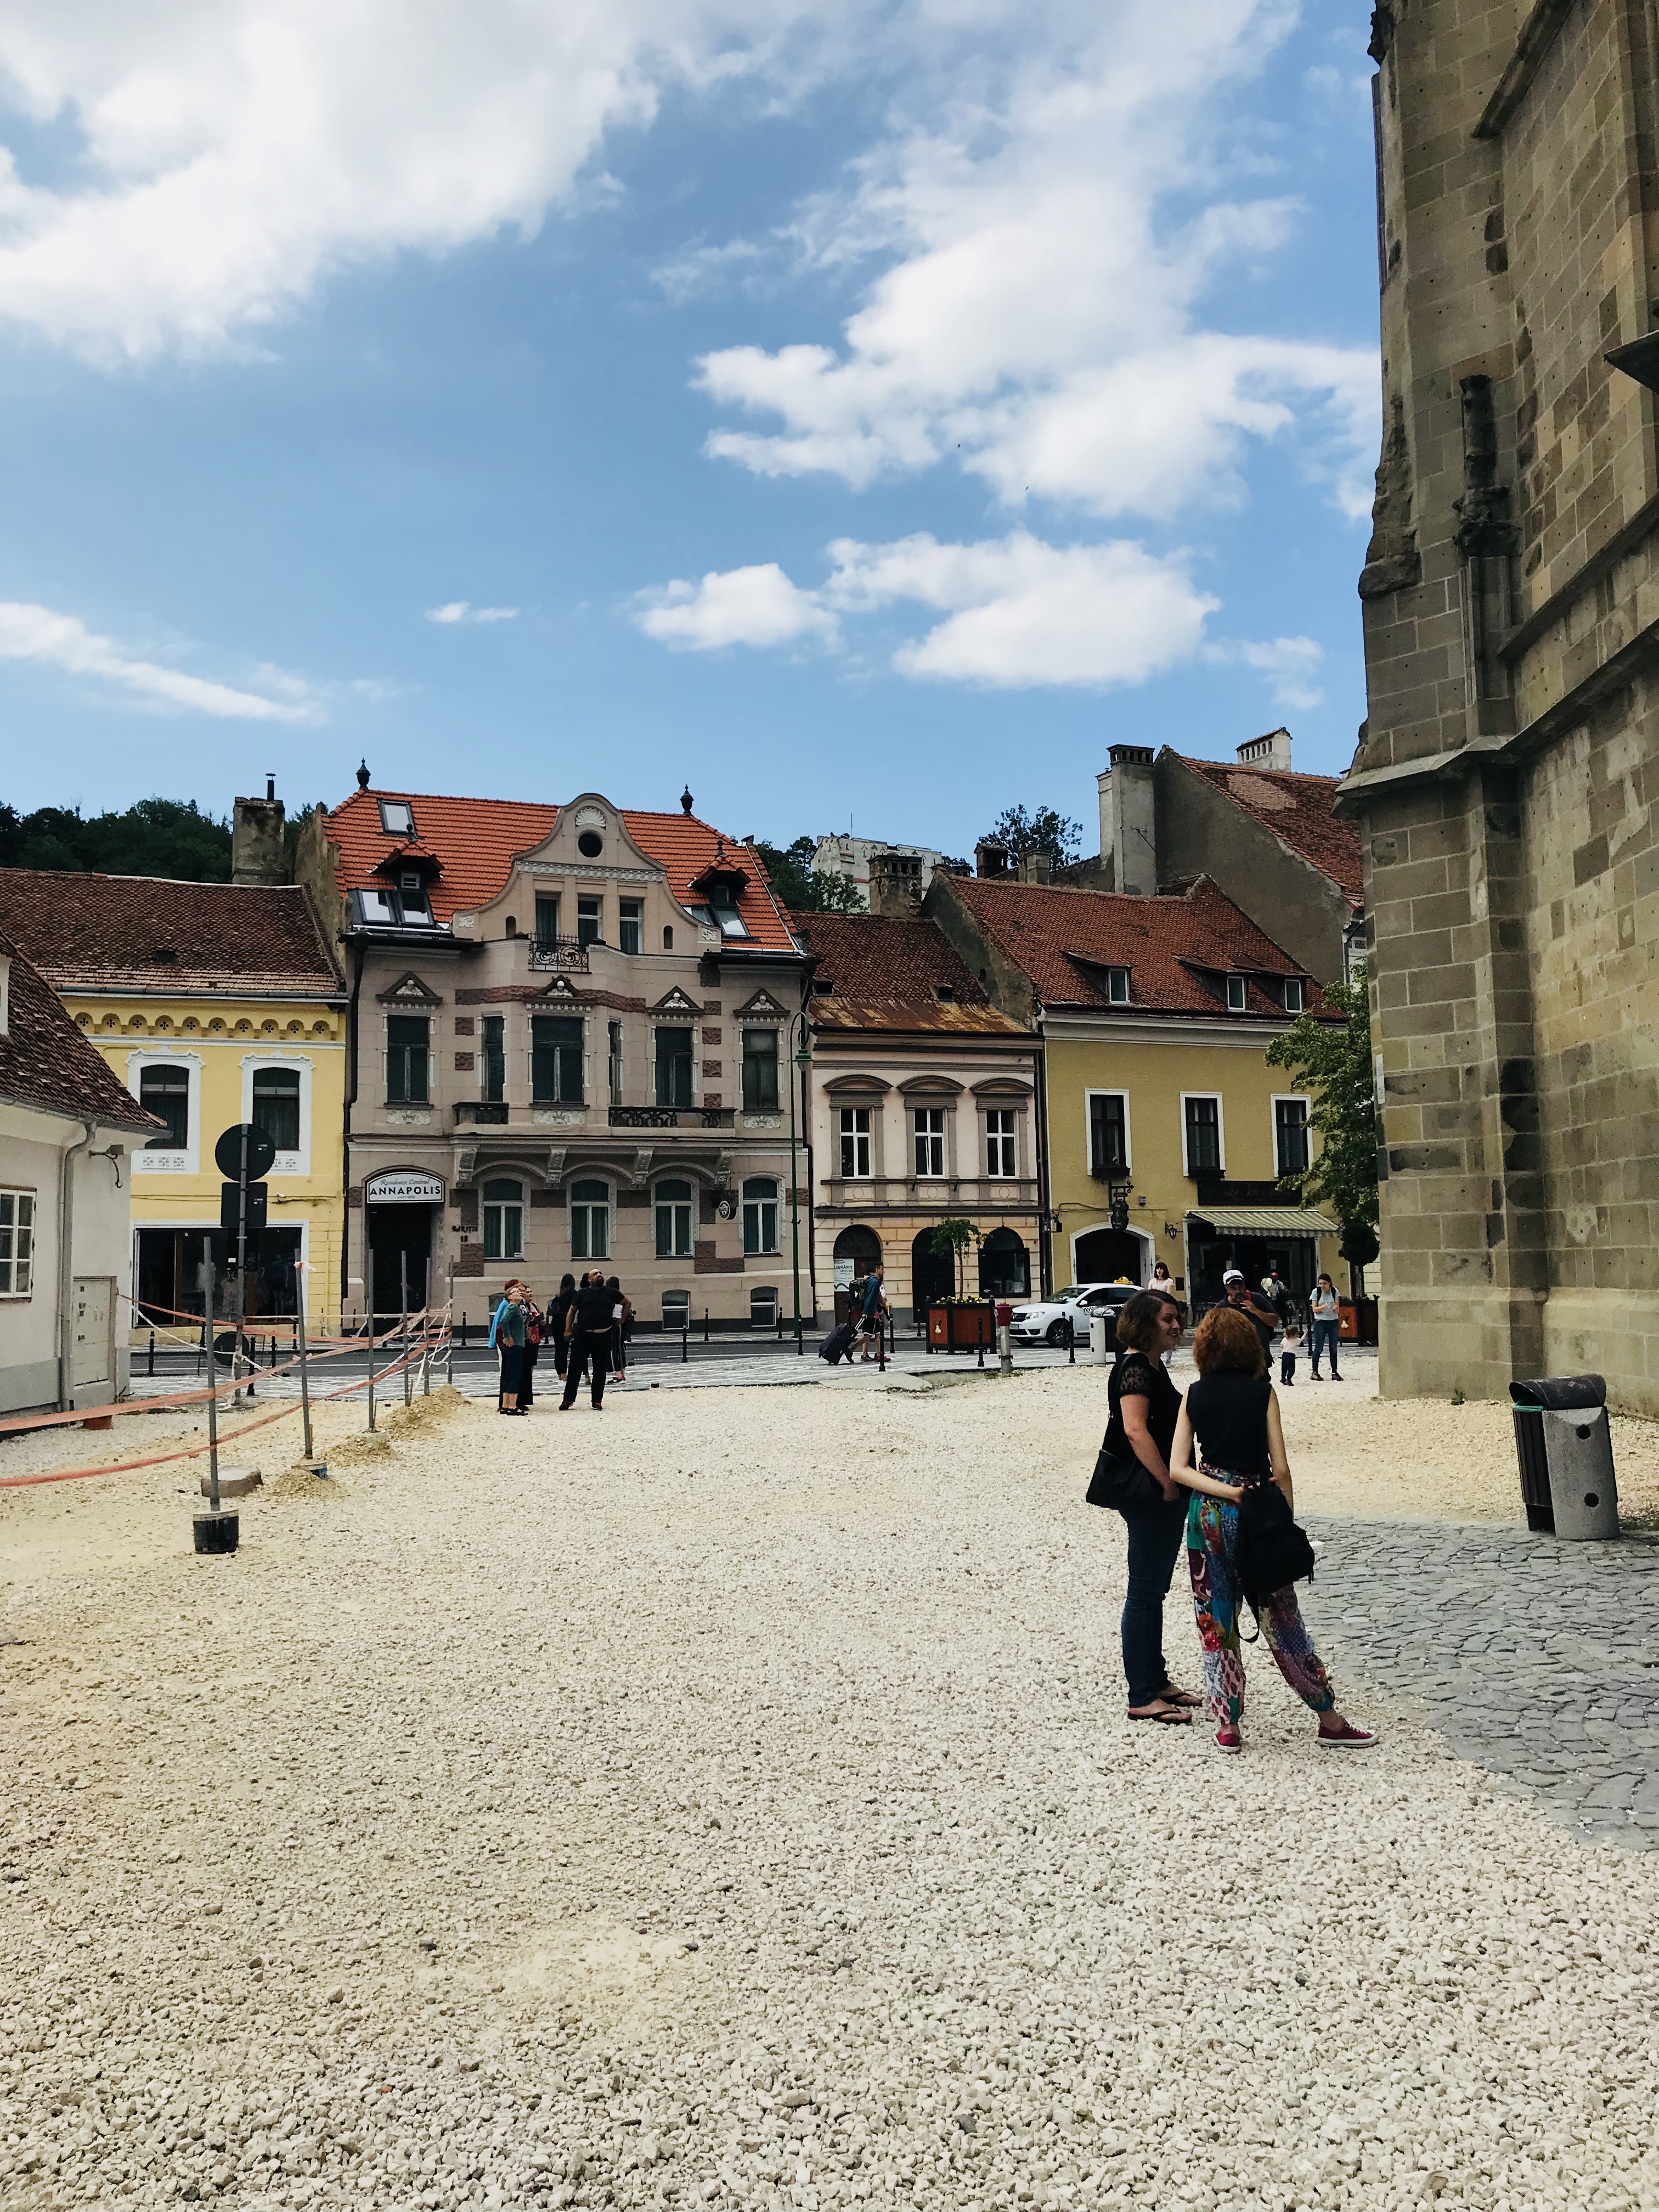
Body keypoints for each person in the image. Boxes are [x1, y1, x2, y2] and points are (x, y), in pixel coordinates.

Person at [1169, 1305, 1373, 1754]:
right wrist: (1283, 1521)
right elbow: (1280, 1468)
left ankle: (1227, 1724)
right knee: (1282, 1618)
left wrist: (1223, 1489)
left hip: (1206, 1517)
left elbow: (1178, 1469)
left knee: (1215, 1620)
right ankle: (1327, 1716)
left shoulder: (1193, 1395)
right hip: (1257, 1514)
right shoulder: (1263, 1393)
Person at [1103, 1290, 1199, 1726]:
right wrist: (1168, 1482)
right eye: (1167, 1319)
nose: (1177, 1326)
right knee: (1144, 1591)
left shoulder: (1152, 1365)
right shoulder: (1136, 1368)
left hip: (1160, 1492)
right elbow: (1135, 1430)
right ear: (1144, 1323)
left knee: (1153, 1590)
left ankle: (1155, 1679)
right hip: (1149, 1493)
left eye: (1177, 1318)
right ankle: (1142, 1693)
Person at [560, 1270, 615, 1411]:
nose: (599, 1275)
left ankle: (597, 1401)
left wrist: (620, 1320)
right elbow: (572, 1311)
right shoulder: (582, 1294)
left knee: (600, 1369)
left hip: (603, 1335)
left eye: (600, 1273)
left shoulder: (610, 1293)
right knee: (575, 1368)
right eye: (595, 1274)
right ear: (590, 1279)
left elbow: (626, 1303)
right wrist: (568, 1329)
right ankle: (568, 1399)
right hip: (583, 1335)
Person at [1223, 1267, 1278, 1370]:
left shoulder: (1257, 1299)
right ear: (1227, 1289)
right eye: (1233, 1288)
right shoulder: (1222, 1308)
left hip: (1260, 1357)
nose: (1238, 1291)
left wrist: (1256, 1311)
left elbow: (1275, 1321)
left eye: (1240, 1287)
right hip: (1235, 1361)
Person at [491, 1281, 529, 1415]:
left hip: (513, 1345)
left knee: (509, 1374)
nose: (519, 1293)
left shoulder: (513, 1307)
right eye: (515, 1292)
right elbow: (504, 1321)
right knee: (515, 1374)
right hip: (515, 1344)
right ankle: (513, 1406)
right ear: (510, 1297)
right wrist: (508, 1336)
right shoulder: (513, 1307)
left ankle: (505, 1405)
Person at [1308, 1272, 1342, 1381]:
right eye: (1321, 1284)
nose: (1323, 1286)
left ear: (1330, 1283)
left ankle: (1334, 1372)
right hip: (1320, 1321)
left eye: (1325, 1284)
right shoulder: (1316, 1292)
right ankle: (1315, 1372)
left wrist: (1335, 1308)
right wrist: (1323, 1307)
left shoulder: (1335, 1291)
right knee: (1319, 1347)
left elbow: (1338, 1309)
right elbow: (1314, 1309)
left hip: (1333, 1321)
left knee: (1333, 1347)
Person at [546, 1273, 577, 1379]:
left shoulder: (561, 1294)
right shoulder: (573, 1294)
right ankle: (564, 1373)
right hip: (565, 1322)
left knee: (559, 1349)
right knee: (565, 1349)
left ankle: (560, 1373)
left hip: (556, 1322)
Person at [857, 1262, 887, 1362]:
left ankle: (869, 1354)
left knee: (874, 1333)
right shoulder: (874, 1282)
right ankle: (851, 1350)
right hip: (871, 1313)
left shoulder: (871, 1280)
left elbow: (877, 1297)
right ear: (877, 1270)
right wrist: (866, 1312)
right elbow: (869, 1297)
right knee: (869, 1335)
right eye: (882, 1269)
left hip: (872, 1312)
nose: (883, 1271)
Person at [606, 1276, 634, 1384]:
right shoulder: (620, 1296)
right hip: (621, 1324)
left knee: (614, 1349)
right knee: (620, 1348)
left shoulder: (612, 1297)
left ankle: (618, 1374)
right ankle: (622, 1373)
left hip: (614, 1323)